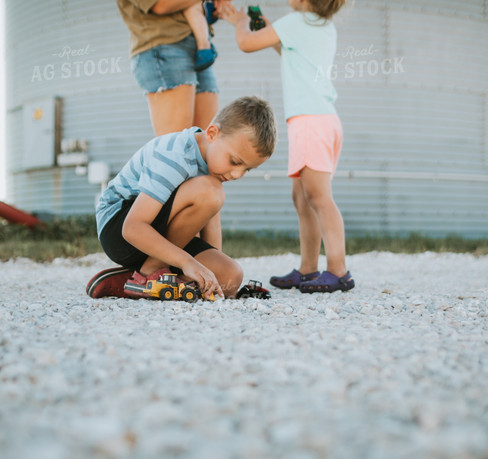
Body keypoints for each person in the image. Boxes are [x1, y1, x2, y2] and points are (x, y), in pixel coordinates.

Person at [219, 0, 355, 293]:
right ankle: (308, 269)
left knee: (318, 198)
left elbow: (246, 43)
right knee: (302, 198)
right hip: (322, 121)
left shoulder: (295, 23)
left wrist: (240, 21)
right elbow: (292, 54)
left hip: (309, 123)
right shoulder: (322, 26)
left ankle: (338, 270)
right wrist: (272, 31)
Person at [89, 96, 277, 301]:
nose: (237, 175)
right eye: (234, 162)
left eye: (246, 169)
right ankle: (149, 273)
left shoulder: (213, 169)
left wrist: (210, 275)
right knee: (211, 191)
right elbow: (132, 228)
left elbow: (211, 227)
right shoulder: (175, 156)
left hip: (160, 237)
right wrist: (188, 263)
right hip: (121, 230)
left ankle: (130, 279)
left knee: (230, 278)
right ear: (213, 133)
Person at [116, 0, 231, 136]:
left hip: (198, 47)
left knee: (207, 141)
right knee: (175, 147)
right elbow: (161, 5)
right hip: (163, 44)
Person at [183, 1, 218, 72]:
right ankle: (205, 47)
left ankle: (204, 47)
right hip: (207, 8)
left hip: (207, 8)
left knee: (191, 8)